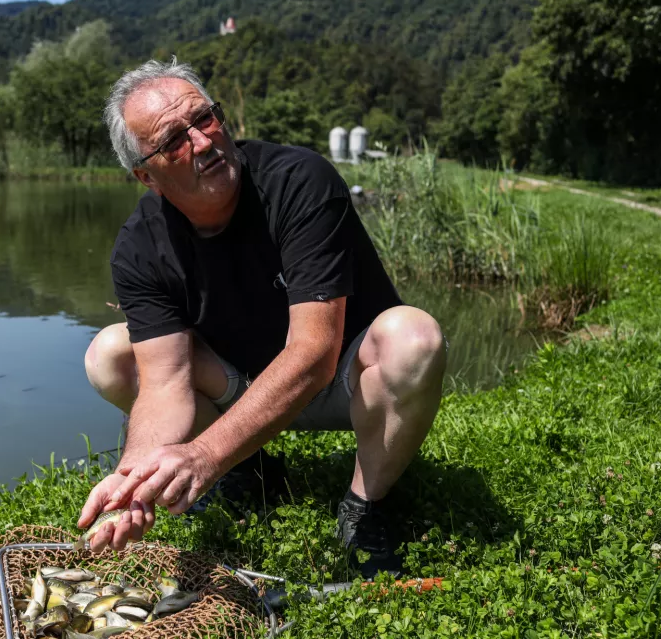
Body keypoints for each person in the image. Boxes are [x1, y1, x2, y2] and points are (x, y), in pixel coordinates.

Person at [78, 58, 447, 579]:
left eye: (204, 119)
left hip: (346, 380)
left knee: (414, 336)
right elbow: (164, 383)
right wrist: (134, 483)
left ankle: (366, 506)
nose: (203, 143)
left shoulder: (299, 180)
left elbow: (315, 355)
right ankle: (251, 471)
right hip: (243, 386)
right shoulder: (139, 246)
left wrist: (205, 455)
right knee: (112, 355)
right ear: (147, 176)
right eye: (174, 142)